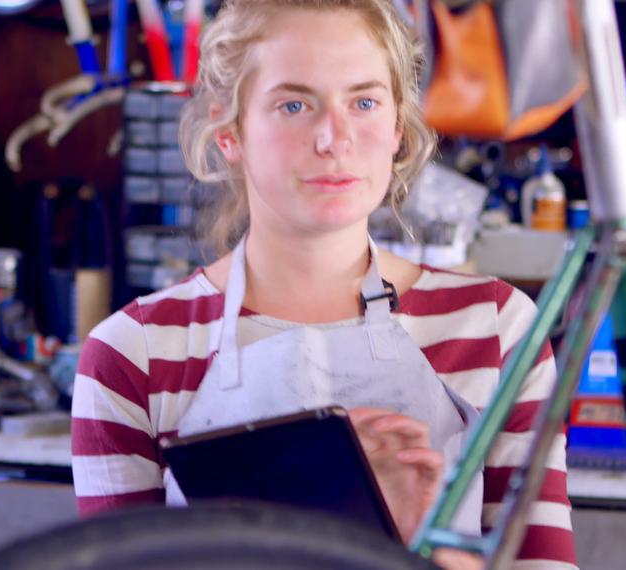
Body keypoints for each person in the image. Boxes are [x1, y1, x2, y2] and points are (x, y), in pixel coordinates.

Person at [71, 0, 576, 567]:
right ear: (229, 132)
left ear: (397, 128)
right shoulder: (135, 353)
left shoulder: (496, 326)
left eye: (363, 101)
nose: (334, 138)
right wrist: (345, 514)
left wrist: (413, 541)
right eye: (294, 104)